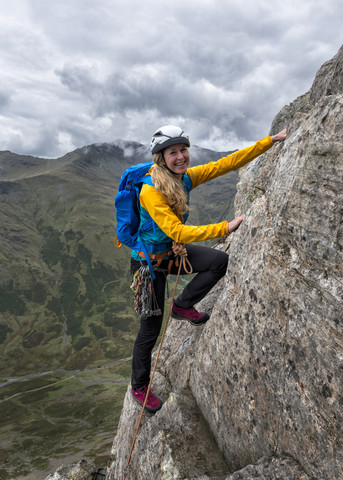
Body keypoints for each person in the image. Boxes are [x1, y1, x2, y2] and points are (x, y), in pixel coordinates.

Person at [130, 125, 287, 412]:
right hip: (149, 264)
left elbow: (225, 164)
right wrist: (224, 228)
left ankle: (182, 306)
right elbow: (176, 230)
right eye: (173, 152)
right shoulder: (150, 191)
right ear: (160, 157)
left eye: (183, 150)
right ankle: (139, 386)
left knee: (218, 263)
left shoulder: (184, 179)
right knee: (150, 330)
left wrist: (270, 142)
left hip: (171, 253)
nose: (180, 157)